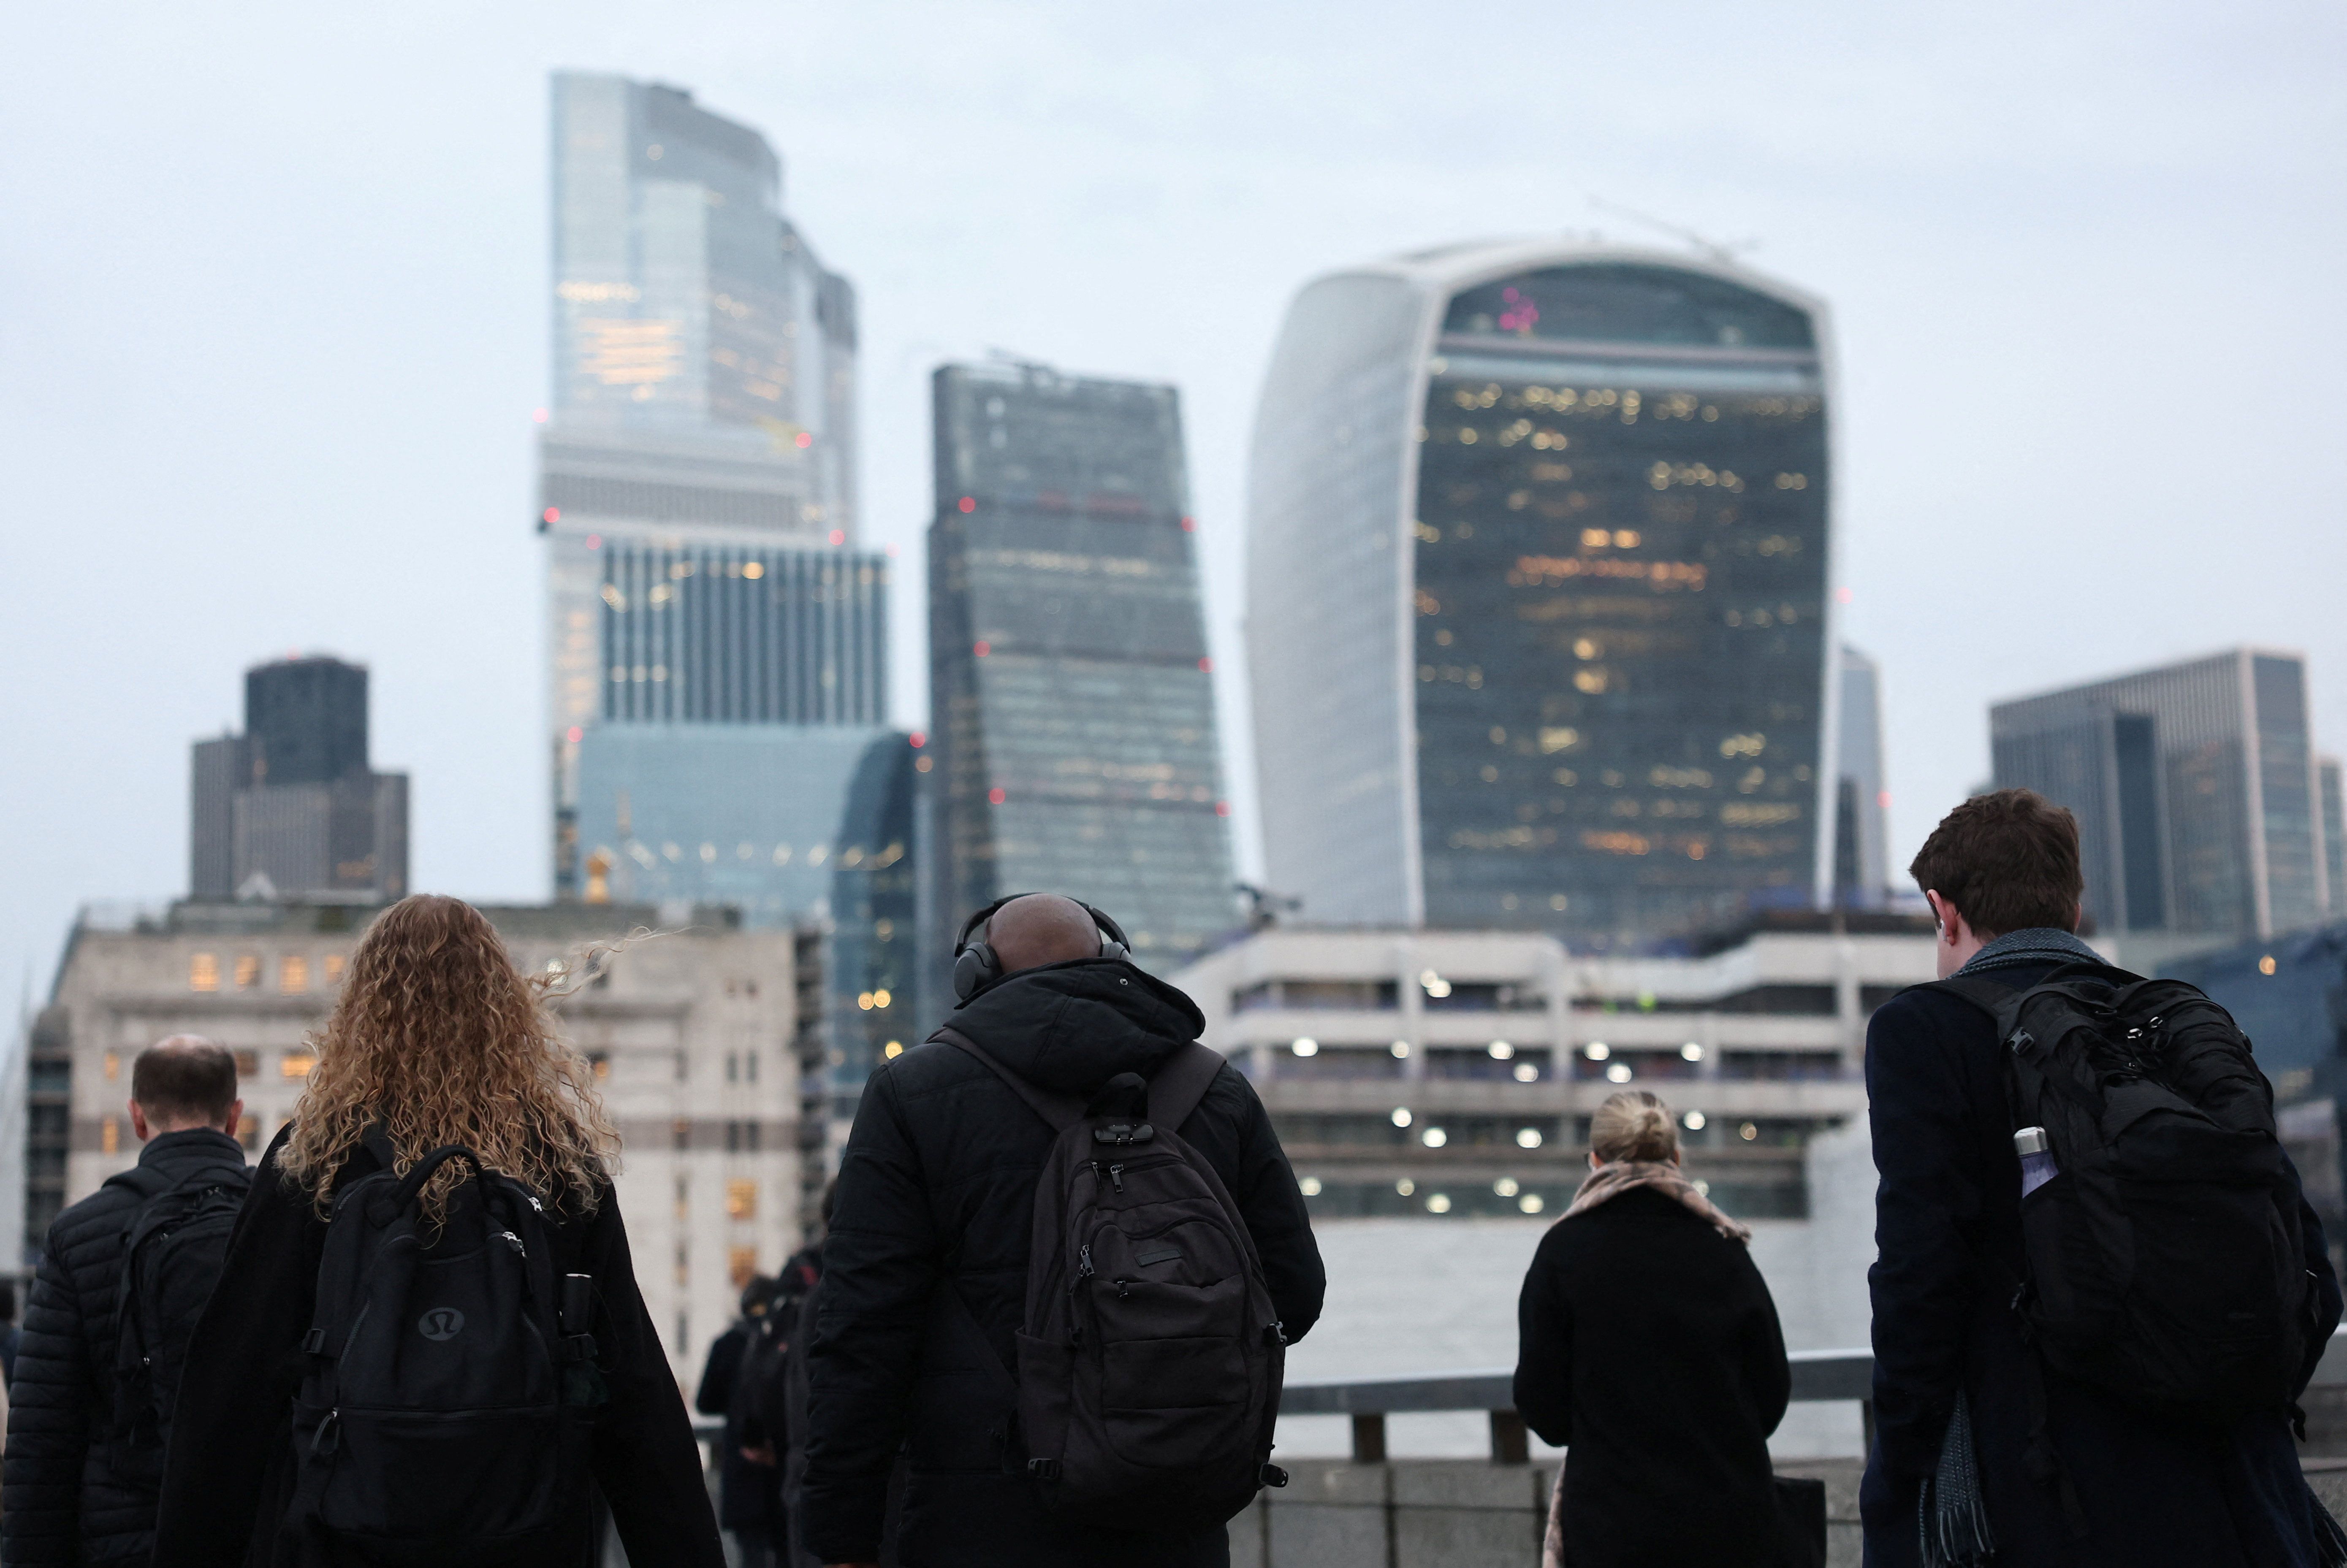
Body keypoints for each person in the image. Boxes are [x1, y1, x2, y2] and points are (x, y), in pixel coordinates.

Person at [146, 893, 723, 1568]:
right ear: (502, 1007)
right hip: (526, 1528)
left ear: (362, 1010)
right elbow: (632, 1385)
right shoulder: (554, 1155)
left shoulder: (318, 1155)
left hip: (347, 1531)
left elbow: (231, 1387)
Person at [1862, 789, 2343, 1565]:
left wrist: (1901, 1475)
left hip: (2051, 1489)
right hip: (2241, 1494)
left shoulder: (1922, 1030)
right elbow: (2305, 1260)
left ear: (1941, 912)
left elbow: (1919, 1276)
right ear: (2074, 907)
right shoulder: (2176, 1022)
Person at [801, 893, 1326, 1568]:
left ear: (976, 973)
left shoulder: (913, 1092)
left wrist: (841, 1531)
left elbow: (862, 1328)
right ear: (1113, 955)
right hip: (1175, 1508)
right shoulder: (1214, 1087)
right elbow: (1294, 1293)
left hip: (980, 1509)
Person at [1513, 1088, 1791, 1567]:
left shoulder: (1564, 1252)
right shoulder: (1724, 1248)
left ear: (1595, 1161)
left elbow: (1544, 1408)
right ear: (1677, 1158)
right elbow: (1771, 1393)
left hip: (1612, 1529)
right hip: (1732, 1527)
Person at [2, 1035, 248, 1567]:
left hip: (124, 1543)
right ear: (235, 1116)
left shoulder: (79, 1233)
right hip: (255, 1534)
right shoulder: (287, 1221)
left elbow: (44, 1437)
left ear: (137, 1117)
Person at [699, 1277, 787, 1568]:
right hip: (783, 1467)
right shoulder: (790, 1342)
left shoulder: (728, 1343)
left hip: (743, 1466)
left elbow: (706, 1402)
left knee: (751, 1554)